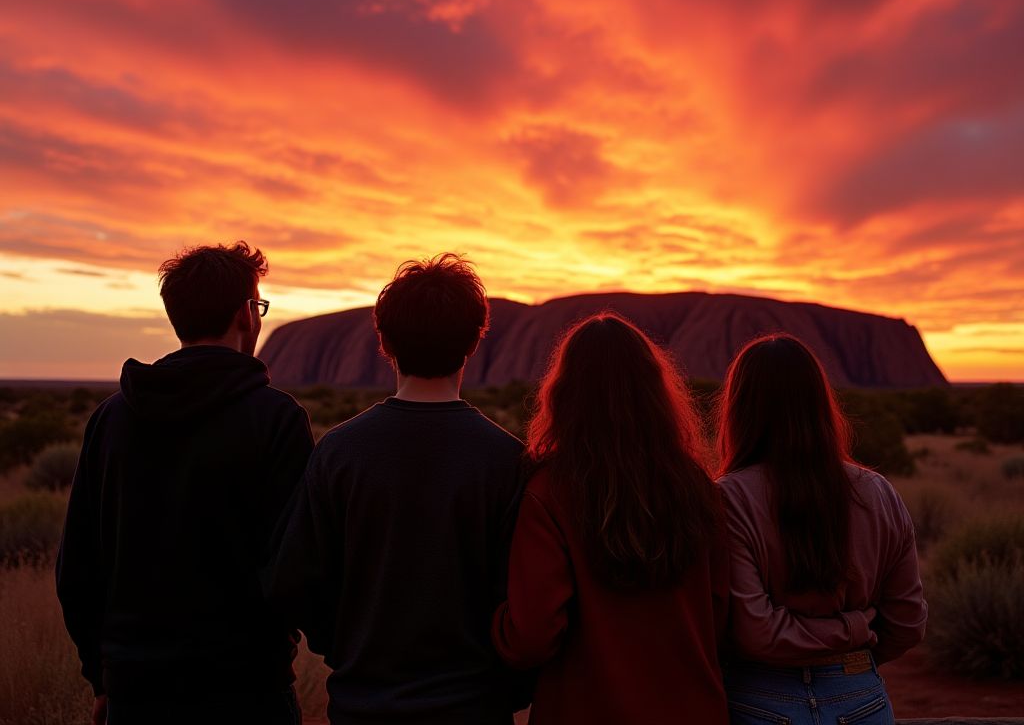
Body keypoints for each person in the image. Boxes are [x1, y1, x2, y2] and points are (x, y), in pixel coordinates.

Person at [56, 242, 313, 725]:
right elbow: (294, 565)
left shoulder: (111, 419)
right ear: (245, 313)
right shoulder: (275, 419)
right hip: (248, 690)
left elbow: (78, 567)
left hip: (136, 691)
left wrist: (102, 676)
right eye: (258, 305)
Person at [265, 253, 526, 725]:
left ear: (384, 341)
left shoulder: (339, 452)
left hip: (365, 703)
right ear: (474, 341)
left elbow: (296, 580)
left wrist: (344, 647)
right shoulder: (507, 459)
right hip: (474, 707)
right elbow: (524, 592)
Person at [492, 313, 730, 725]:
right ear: (654, 390)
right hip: (692, 709)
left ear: (565, 393)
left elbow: (530, 636)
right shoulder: (697, 486)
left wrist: (494, 623)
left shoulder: (550, 490)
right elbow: (721, 613)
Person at [717, 333, 928, 725]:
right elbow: (907, 622)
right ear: (819, 402)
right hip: (860, 696)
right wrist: (850, 637)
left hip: (760, 700)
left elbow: (756, 631)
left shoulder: (729, 499)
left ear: (739, 408)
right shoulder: (877, 492)